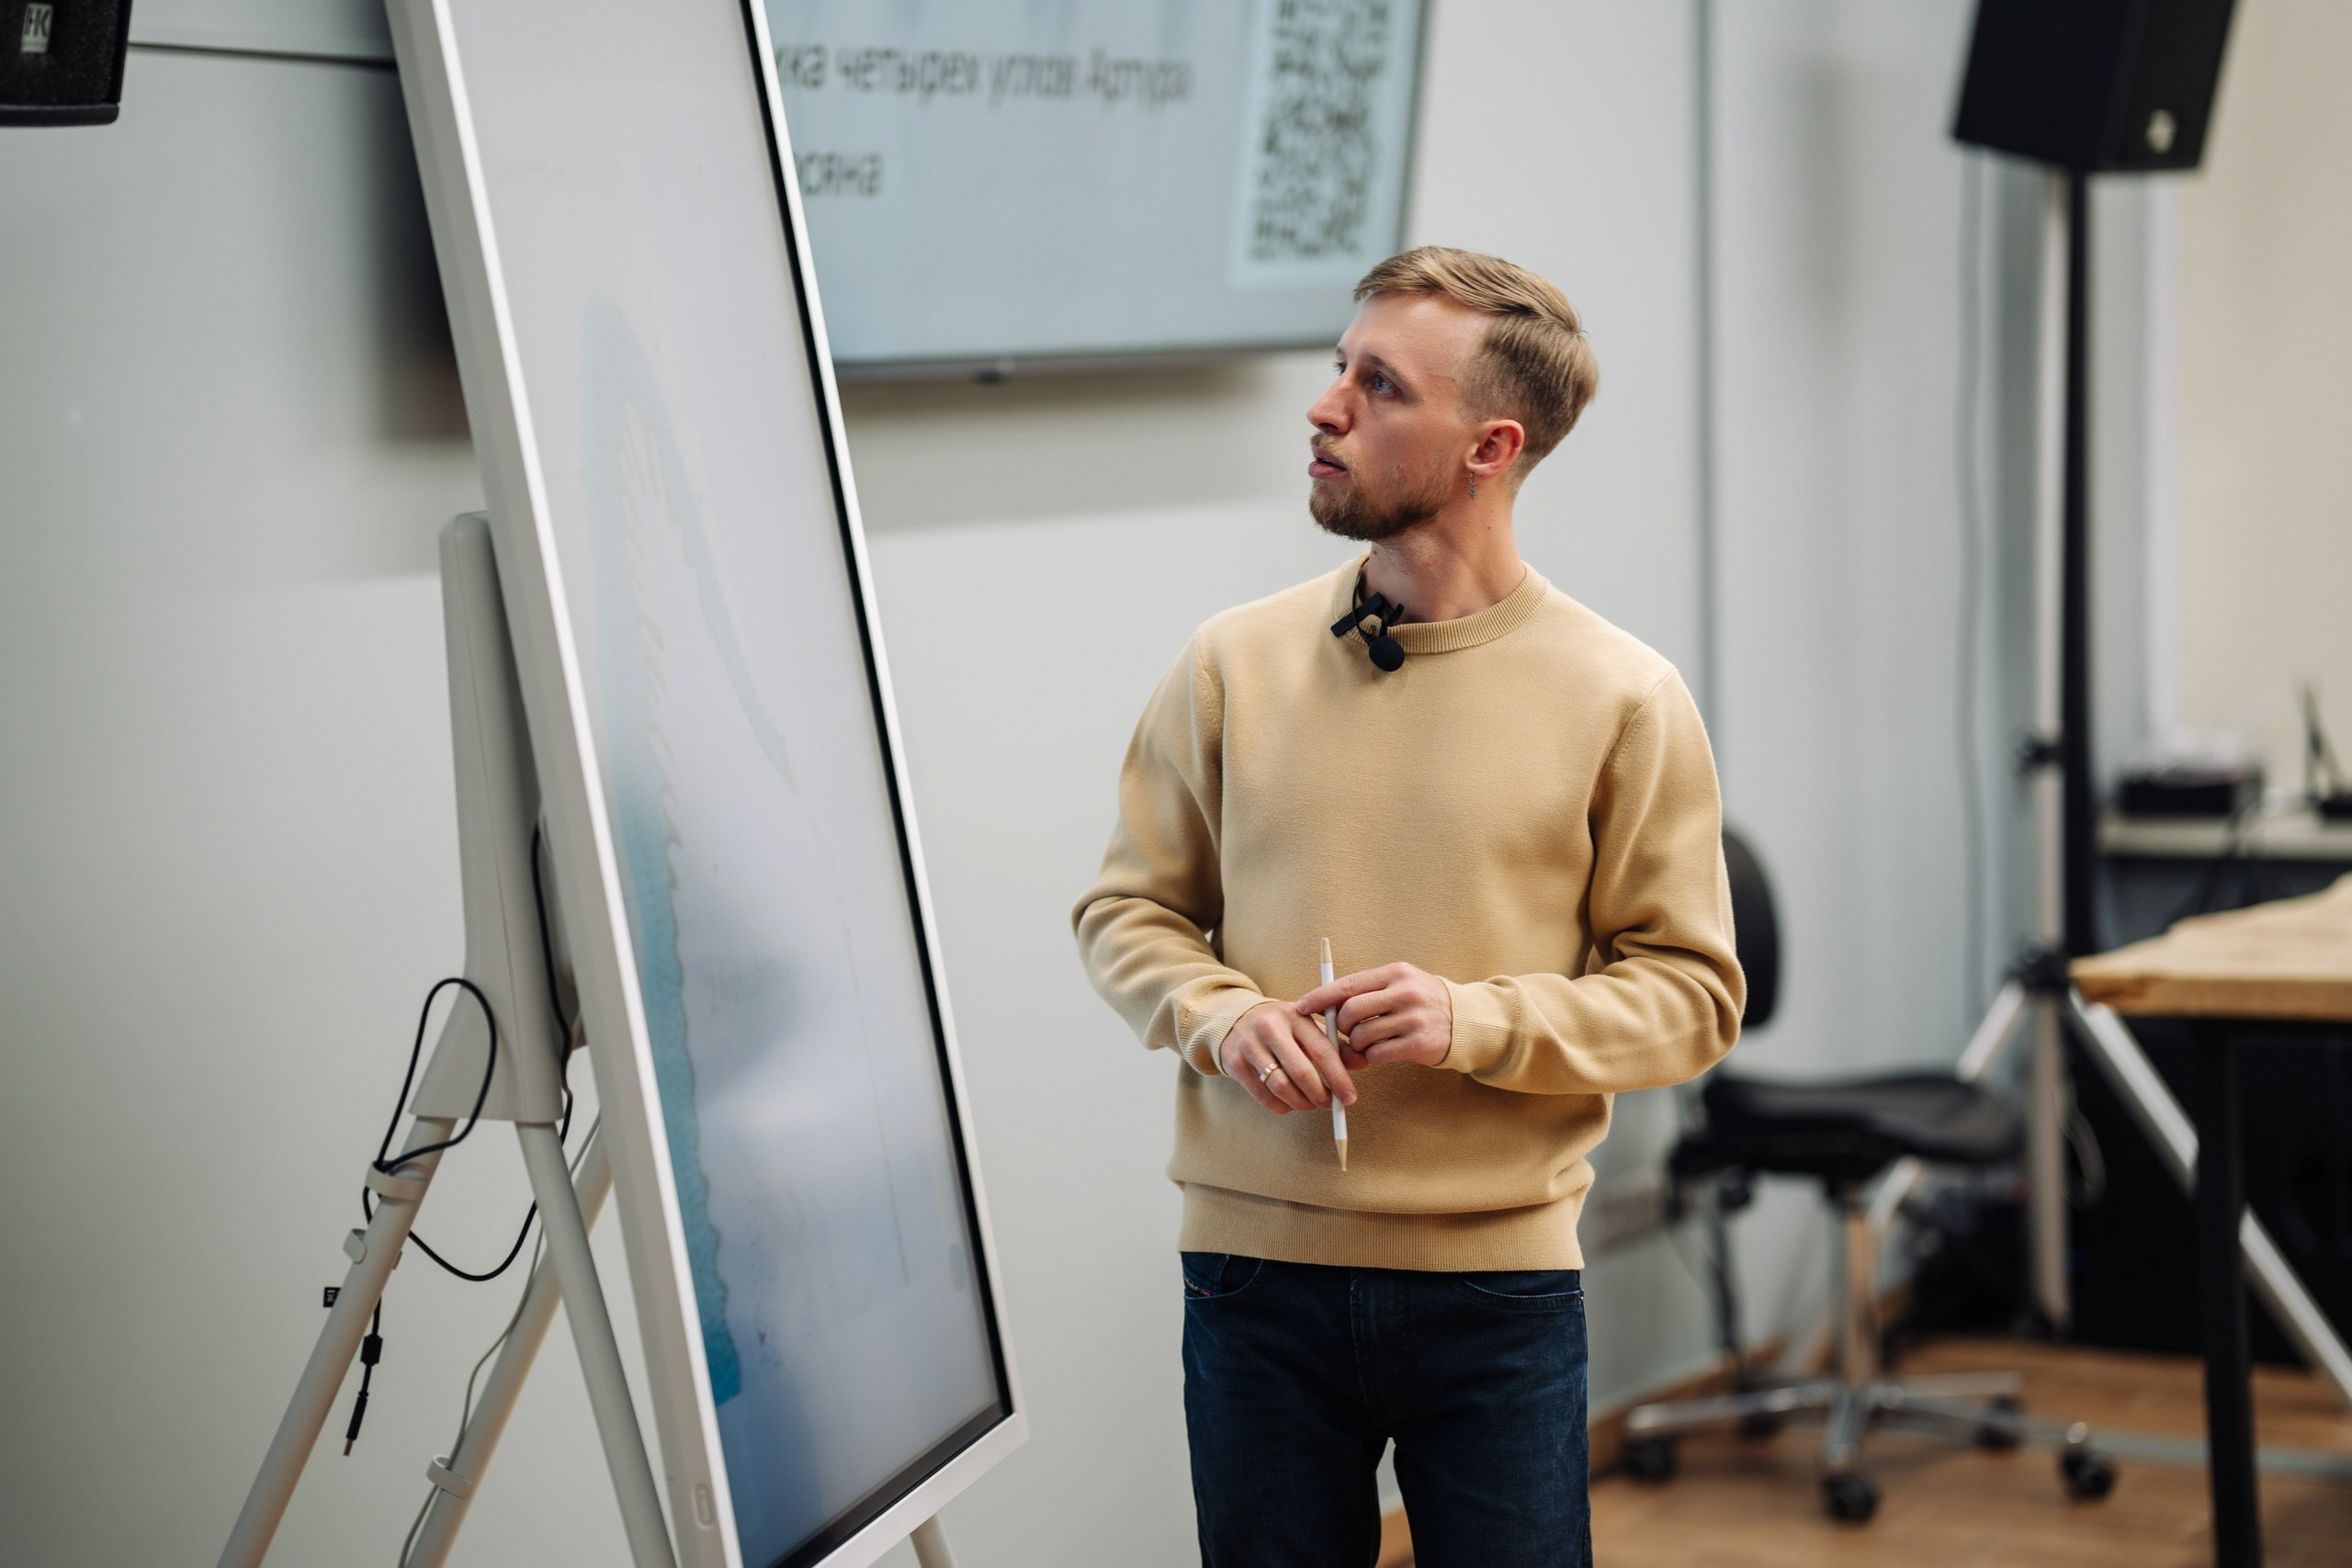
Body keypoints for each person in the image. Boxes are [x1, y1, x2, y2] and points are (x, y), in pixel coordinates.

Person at [1071, 245, 1744, 1568]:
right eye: (1338, 368)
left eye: (1378, 386)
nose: (1325, 407)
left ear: (1491, 445)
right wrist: (1217, 1019)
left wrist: (1470, 1022)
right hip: (1254, 1283)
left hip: (1499, 1290)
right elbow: (1126, 913)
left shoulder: (1622, 697)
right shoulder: (1230, 665)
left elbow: (1693, 996)